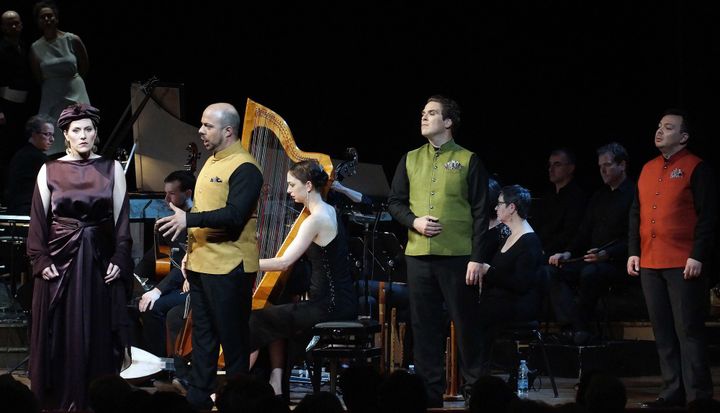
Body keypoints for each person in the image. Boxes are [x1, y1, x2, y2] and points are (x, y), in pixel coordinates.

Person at [156, 102, 263, 410]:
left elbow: (233, 216)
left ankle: (239, 402)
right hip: (204, 264)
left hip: (229, 267)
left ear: (228, 130)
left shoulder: (245, 167)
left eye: (207, 126)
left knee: (233, 341)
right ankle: (198, 398)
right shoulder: (211, 162)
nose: (200, 130)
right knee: (203, 337)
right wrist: (190, 250)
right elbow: (205, 212)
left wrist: (188, 220)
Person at [26, 102, 133, 410]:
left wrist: (121, 257)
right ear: (66, 136)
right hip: (60, 263)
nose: (83, 135)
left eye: (88, 129)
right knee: (60, 333)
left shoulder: (111, 168)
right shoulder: (50, 169)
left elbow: (121, 222)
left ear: (95, 133)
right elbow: (38, 221)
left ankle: (95, 400)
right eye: (77, 131)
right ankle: (60, 398)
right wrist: (40, 259)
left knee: (97, 331)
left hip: (99, 261)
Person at [388, 95, 488, 407]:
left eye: (432, 113)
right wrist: (414, 221)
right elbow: (395, 202)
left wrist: (477, 257)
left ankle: (476, 392)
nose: (424, 117)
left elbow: (482, 212)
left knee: (467, 325)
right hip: (418, 256)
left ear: (448, 122)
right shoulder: (409, 158)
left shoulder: (469, 159)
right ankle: (430, 393)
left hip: (457, 256)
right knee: (424, 327)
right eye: (423, 113)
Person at [627, 109, 717, 408]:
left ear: (684, 136)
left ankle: (698, 396)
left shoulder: (696, 167)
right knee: (662, 331)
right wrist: (633, 251)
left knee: (688, 331)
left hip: (683, 261)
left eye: (668, 127)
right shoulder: (647, 168)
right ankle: (671, 391)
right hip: (651, 262)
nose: (660, 131)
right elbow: (636, 213)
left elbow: (708, 217)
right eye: (659, 126)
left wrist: (698, 255)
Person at [249, 160, 358, 396]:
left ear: (308, 185)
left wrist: (242, 264)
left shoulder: (314, 220)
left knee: (254, 320)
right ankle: (277, 384)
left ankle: (238, 386)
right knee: (277, 315)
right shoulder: (330, 211)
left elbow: (283, 263)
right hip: (342, 301)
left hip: (327, 305)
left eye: (292, 184)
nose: (288, 190)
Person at [544, 142, 635, 345]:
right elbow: (583, 231)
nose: (602, 170)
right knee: (552, 271)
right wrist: (567, 253)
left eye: (608, 164)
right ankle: (573, 327)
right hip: (593, 259)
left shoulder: (634, 195)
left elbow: (633, 237)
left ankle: (580, 329)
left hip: (619, 262)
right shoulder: (599, 196)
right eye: (600, 166)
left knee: (590, 273)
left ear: (622, 165)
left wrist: (608, 254)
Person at [476, 185, 544, 364]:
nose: (496, 208)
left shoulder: (530, 241)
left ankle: (476, 373)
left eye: (500, 204)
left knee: (471, 316)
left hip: (517, 306)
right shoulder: (508, 236)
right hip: (500, 302)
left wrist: (489, 271)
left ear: (512, 207)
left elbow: (521, 283)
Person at [136, 170, 196, 358]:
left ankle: (160, 362)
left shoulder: (197, 220)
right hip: (172, 285)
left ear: (187, 194)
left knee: (153, 307)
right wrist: (134, 277)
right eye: (166, 192)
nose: (166, 198)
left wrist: (157, 291)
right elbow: (153, 258)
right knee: (134, 303)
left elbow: (184, 265)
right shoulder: (169, 222)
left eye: (171, 193)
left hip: (191, 287)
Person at [29, 1, 90, 156]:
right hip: (51, 93)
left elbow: (84, 65)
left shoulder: (72, 39)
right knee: (53, 136)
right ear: (38, 22)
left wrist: (72, 81)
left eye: (50, 16)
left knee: (78, 131)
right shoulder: (35, 47)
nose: (47, 19)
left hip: (74, 89)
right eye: (43, 17)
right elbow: (37, 75)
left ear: (56, 18)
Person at [1, 10, 35, 193]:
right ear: (3, 27)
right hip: (7, 107)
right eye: (9, 24)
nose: (13, 26)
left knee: (23, 148)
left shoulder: (24, 45)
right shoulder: (1, 49)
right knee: (7, 152)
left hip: (25, 107)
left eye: (16, 23)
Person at [531, 148, 588, 258]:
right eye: (550, 165)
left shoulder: (577, 197)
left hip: (558, 253)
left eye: (557, 165)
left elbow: (569, 233)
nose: (550, 169)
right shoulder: (548, 195)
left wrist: (544, 250)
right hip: (541, 249)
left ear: (571, 168)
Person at [4, 114, 54, 214]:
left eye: (53, 135)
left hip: (16, 210)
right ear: (33, 134)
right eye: (47, 134)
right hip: (29, 213)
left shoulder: (20, 154)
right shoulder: (37, 158)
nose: (52, 139)